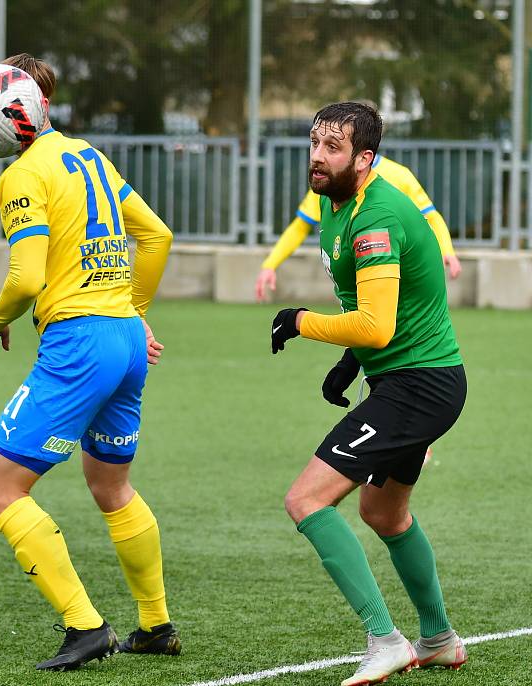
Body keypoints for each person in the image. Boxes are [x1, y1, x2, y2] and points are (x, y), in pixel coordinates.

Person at [0, 57, 180, 671]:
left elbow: (27, 275)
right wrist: (133, 310)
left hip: (80, 344)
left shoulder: (22, 175)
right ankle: (156, 622)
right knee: (111, 485)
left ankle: (85, 626)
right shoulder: (89, 155)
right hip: (123, 340)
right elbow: (158, 236)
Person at [270, 102, 468, 686]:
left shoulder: (376, 216)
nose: (317, 156)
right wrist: (348, 363)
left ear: (365, 158)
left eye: (333, 147)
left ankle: (386, 640)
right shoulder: (337, 206)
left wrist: (301, 321)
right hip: (407, 380)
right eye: (314, 143)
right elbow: (380, 315)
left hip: (419, 386)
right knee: (383, 511)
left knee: (306, 500)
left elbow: (377, 326)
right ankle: (441, 641)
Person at [255, 155, 461, 302]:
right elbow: (300, 226)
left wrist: (447, 250)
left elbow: (431, 216)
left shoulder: (399, 175)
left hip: (400, 279)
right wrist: (270, 264)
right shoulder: (329, 181)